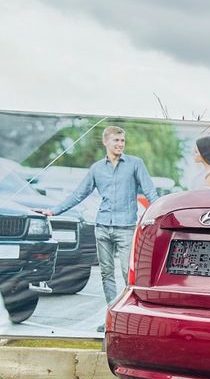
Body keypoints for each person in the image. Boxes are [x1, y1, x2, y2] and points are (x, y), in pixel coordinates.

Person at [39, 126, 159, 325]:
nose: (120, 144)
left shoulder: (135, 164)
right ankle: (113, 317)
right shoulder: (96, 168)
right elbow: (79, 194)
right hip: (102, 227)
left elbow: (150, 192)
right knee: (106, 274)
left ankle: (129, 317)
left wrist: (161, 214)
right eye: (116, 141)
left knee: (126, 273)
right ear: (106, 142)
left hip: (126, 227)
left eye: (122, 141)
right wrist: (54, 211)